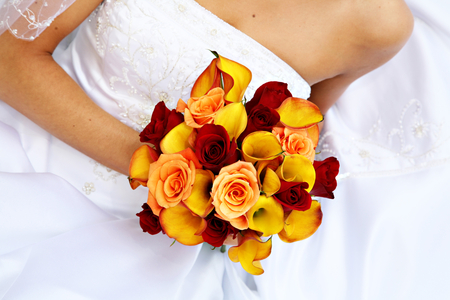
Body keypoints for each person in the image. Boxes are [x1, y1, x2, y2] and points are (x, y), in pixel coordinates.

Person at [1, 0, 448, 299]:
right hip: (22, 156)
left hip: (154, 251)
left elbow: (296, 137)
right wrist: (161, 167)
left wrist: (244, 203)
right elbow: (11, 55)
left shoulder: (377, 22)